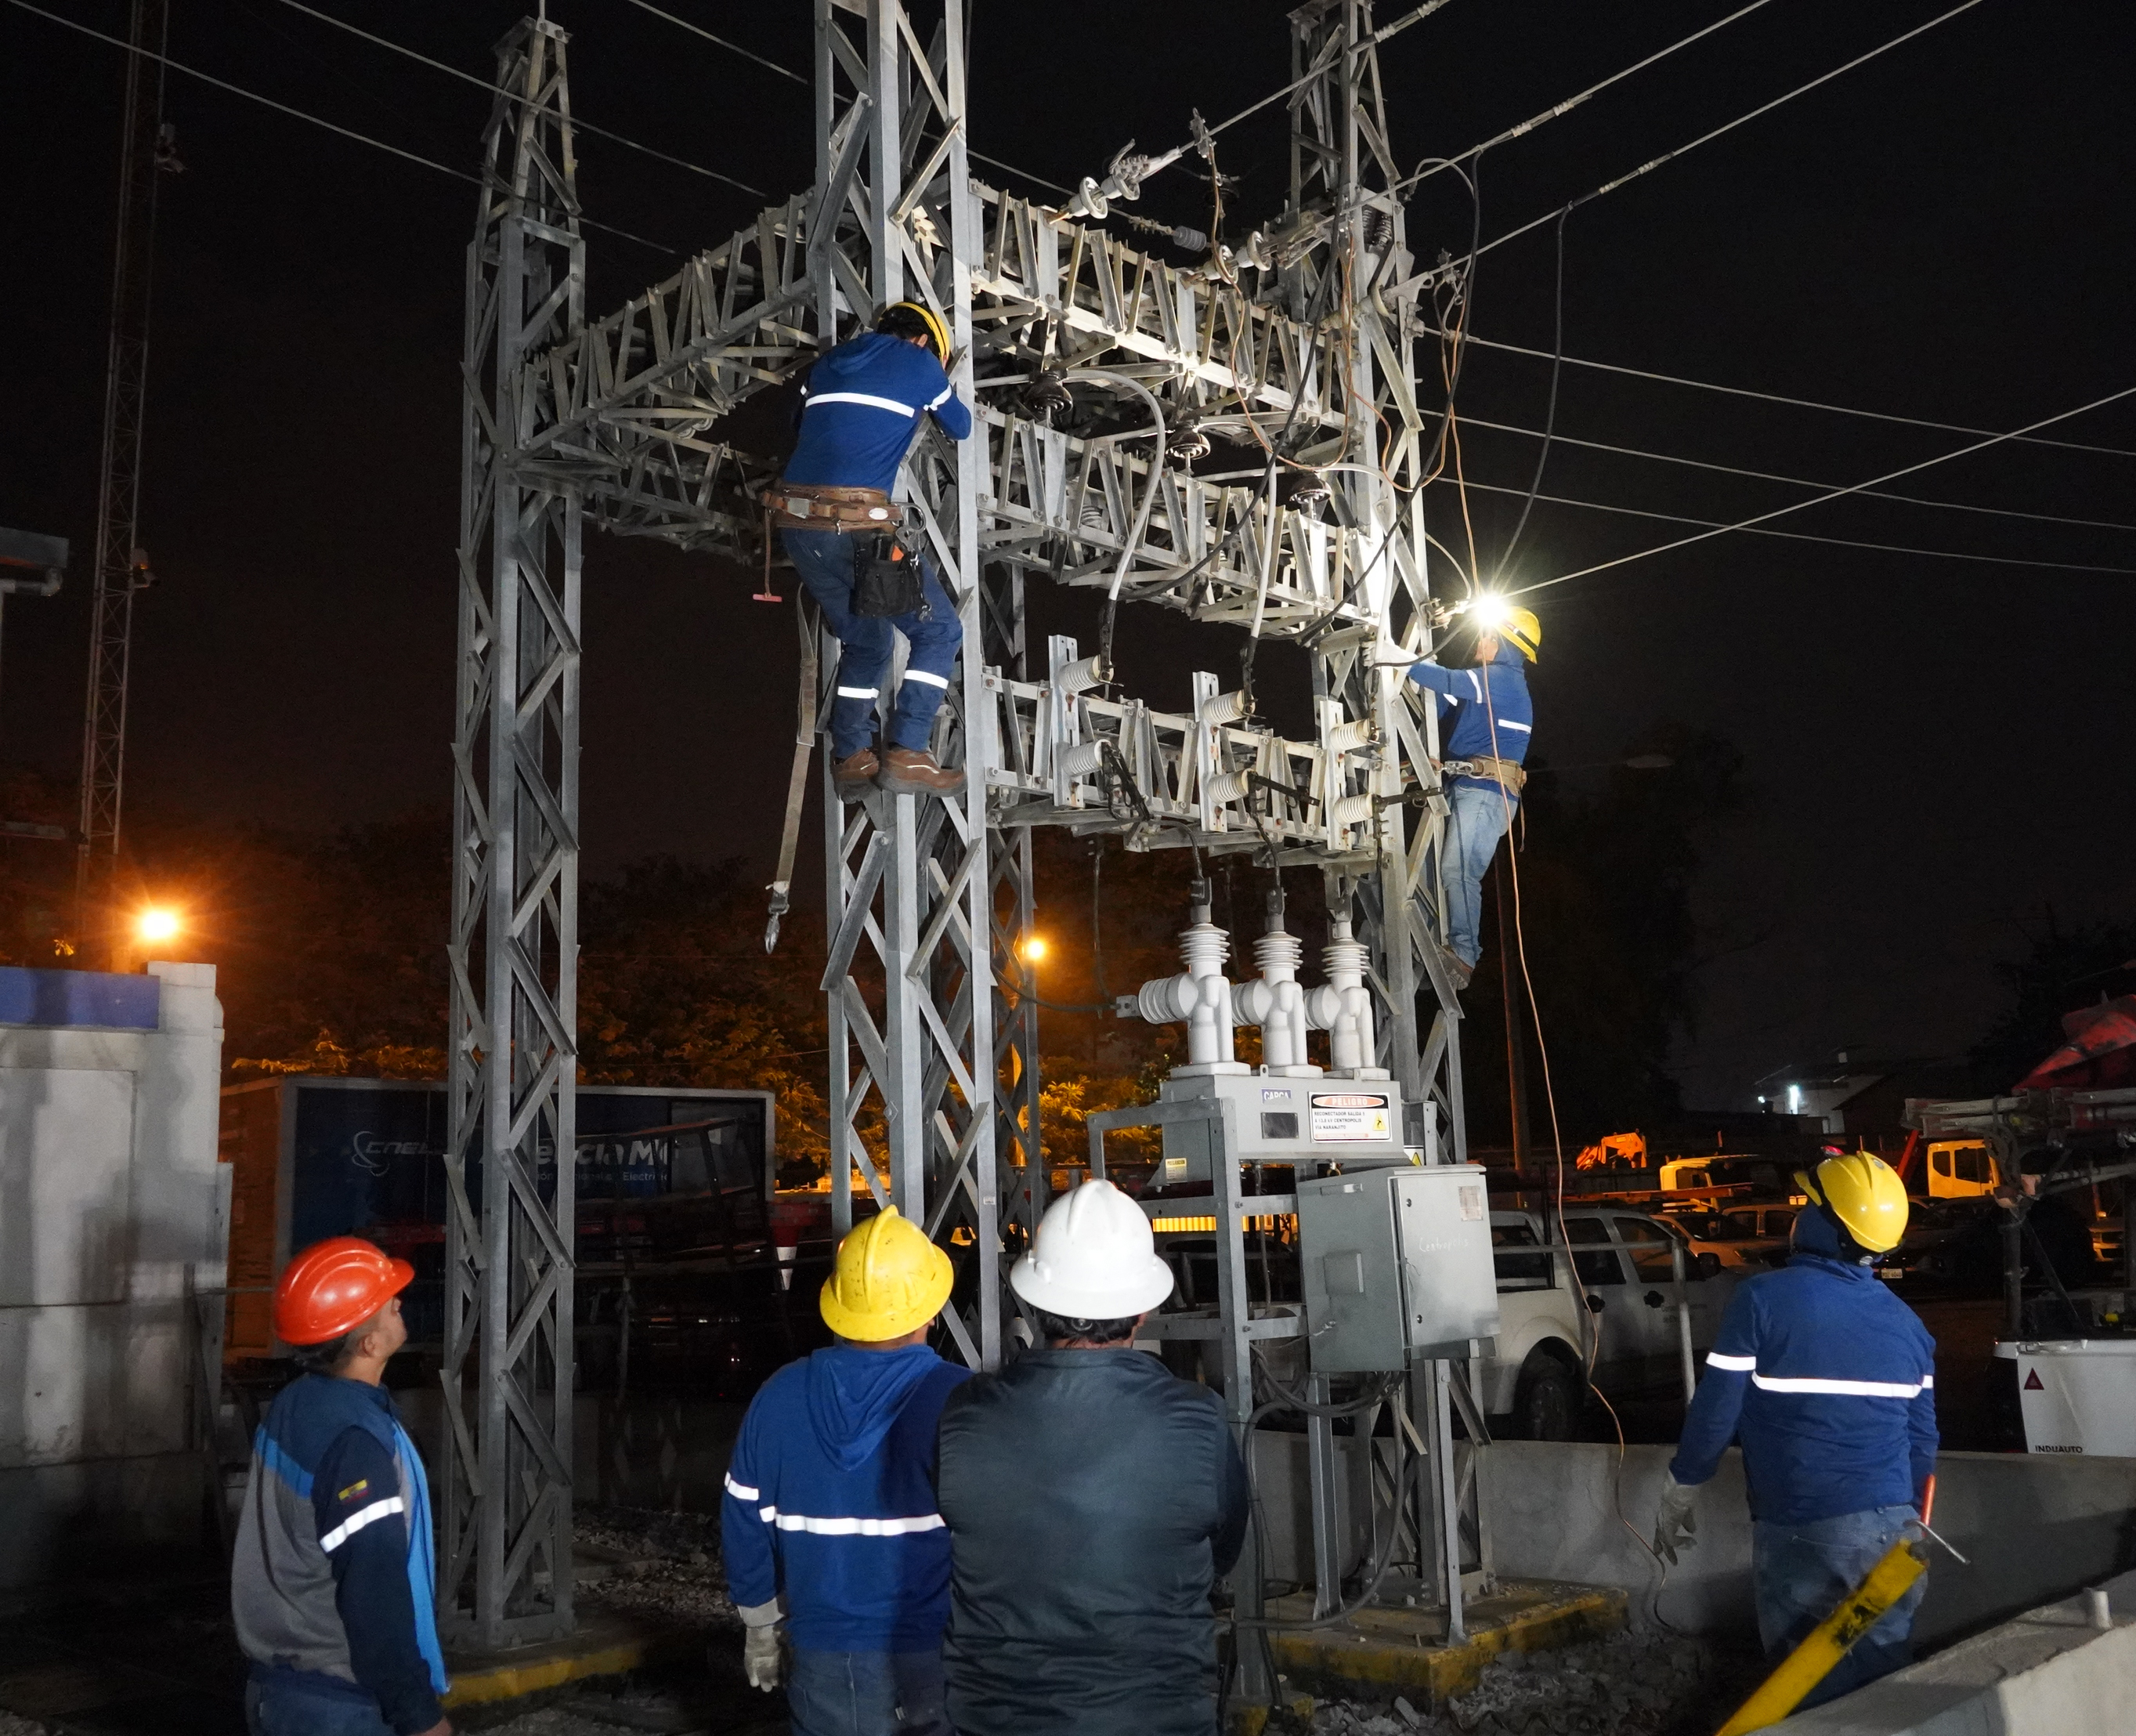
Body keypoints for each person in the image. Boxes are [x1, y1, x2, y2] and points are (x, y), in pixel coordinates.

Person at [934, 1180, 1250, 1736]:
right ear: (1145, 1307)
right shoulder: (1198, 1419)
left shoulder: (964, 1415)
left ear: (1033, 1300)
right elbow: (1222, 1549)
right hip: (1154, 1716)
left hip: (997, 1716)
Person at [1654, 1152, 1935, 1709]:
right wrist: (1914, 1525)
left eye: (1808, 1204)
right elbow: (1922, 1442)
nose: (1796, 1213)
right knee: (1881, 1691)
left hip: (1807, 1531)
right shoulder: (1909, 1326)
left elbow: (1716, 1408)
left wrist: (1682, 1484)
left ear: (1829, 1228)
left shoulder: (1762, 1299)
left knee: (1803, 1691)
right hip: (1895, 1534)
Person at [721, 1206, 970, 1736]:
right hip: (936, 1653)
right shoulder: (960, 1401)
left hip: (822, 1655)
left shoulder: (780, 1395)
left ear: (839, 1307)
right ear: (931, 1307)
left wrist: (760, 1627)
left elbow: (743, 1519)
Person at [231, 1238, 451, 1736]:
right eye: (385, 1300)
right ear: (368, 1344)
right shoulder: (354, 1444)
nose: (399, 1300)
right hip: (340, 1704)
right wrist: (419, 1714)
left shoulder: (297, 1403)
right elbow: (374, 1593)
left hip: (280, 1690)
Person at [768, 299, 974, 800]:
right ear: (925, 341)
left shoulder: (829, 361)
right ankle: (908, 749)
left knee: (869, 643)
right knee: (941, 630)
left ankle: (853, 757)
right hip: (859, 528)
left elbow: (794, 422)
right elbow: (961, 426)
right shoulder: (921, 363)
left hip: (799, 527)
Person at [1404, 601, 1540, 989]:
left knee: (1457, 870)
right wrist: (1409, 668)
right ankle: (1429, 946)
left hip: (1486, 794)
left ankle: (1463, 955)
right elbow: (1436, 692)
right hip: (1469, 790)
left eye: (1488, 635)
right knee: (1432, 872)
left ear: (1505, 644)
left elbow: (1443, 680)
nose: (1480, 640)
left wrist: (1391, 658)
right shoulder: (1484, 684)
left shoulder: (1502, 678)